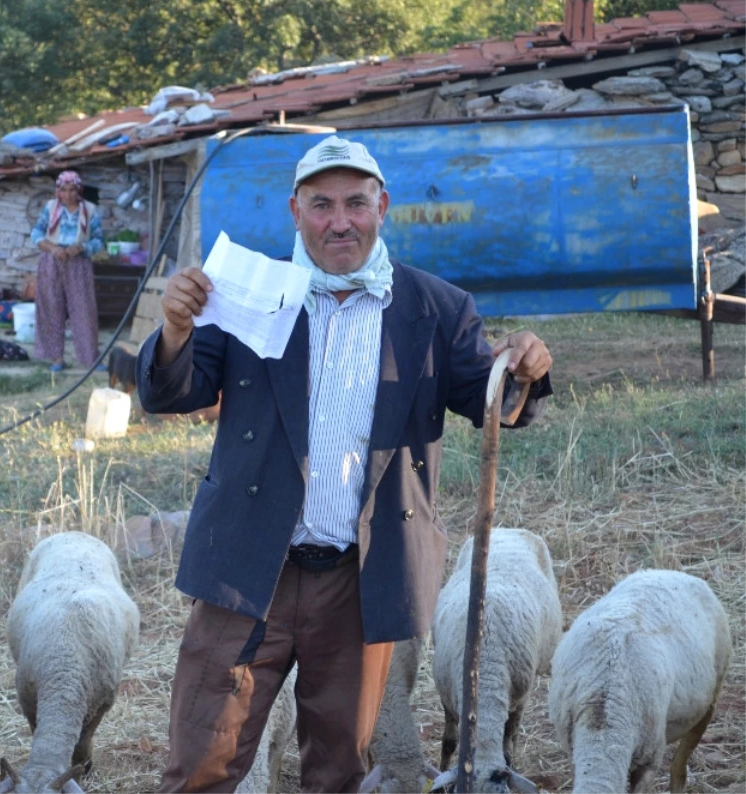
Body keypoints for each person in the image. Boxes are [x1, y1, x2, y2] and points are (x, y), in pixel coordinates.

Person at [134, 136, 554, 794]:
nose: (340, 221)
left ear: (381, 206)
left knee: (337, 771)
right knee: (200, 763)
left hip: (360, 578)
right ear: (294, 211)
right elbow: (172, 393)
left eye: (355, 203)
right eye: (322, 204)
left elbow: (496, 403)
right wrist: (177, 330)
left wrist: (524, 365)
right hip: (247, 570)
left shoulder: (435, 310)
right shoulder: (253, 292)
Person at [30, 170, 106, 372]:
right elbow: (36, 233)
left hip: (78, 263)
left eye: (72, 189)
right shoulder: (50, 208)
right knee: (50, 307)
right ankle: (56, 359)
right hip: (51, 261)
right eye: (63, 190)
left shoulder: (89, 210)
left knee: (83, 309)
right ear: (58, 191)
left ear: (78, 190)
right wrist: (53, 248)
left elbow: (99, 240)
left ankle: (90, 358)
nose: (68, 194)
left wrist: (81, 248)